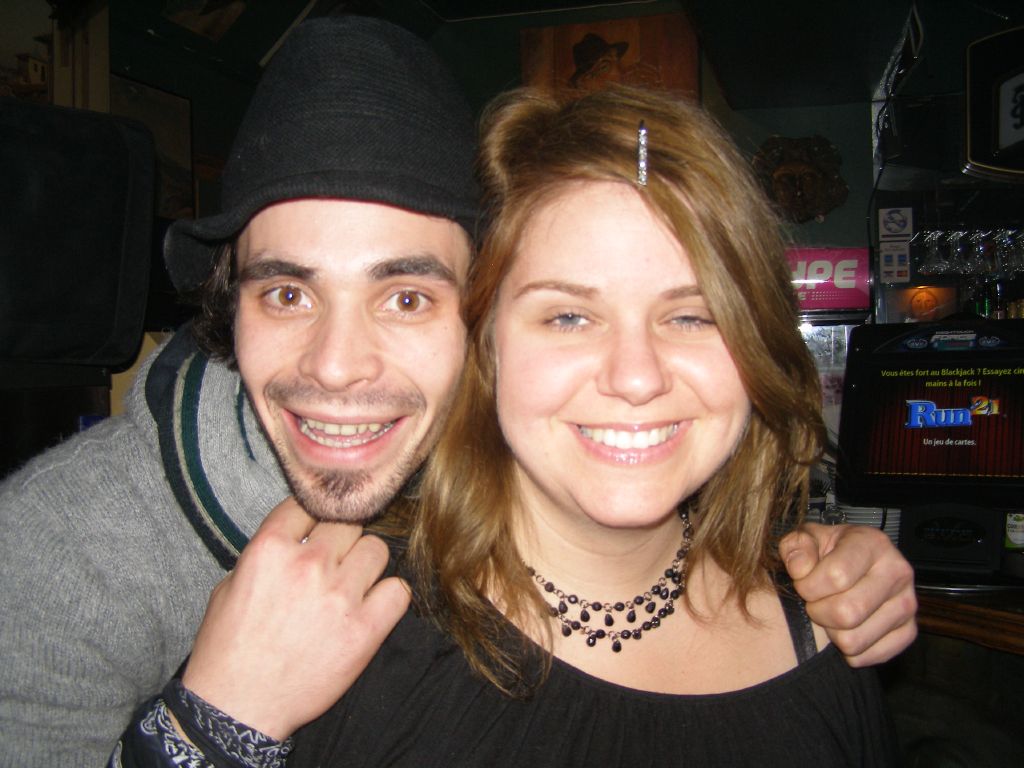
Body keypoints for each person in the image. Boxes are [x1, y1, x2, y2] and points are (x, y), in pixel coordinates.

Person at [0, 15, 910, 767]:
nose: (338, 367)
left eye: (692, 315)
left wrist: (831, 557)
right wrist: (214, 726)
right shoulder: (299, 633)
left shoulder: (827, 635)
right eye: (286, 293)